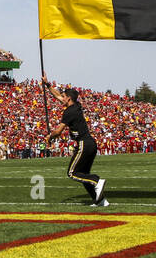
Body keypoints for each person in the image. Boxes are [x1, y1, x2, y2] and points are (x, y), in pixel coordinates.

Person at [42, 76, 107, 206]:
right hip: (90, 143)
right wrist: (47, 85)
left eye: (64, 97)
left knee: (72, 173)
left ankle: (97, 181)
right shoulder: (76, 106)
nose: (61, 99)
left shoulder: (68, 112)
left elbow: (59, 131)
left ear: (69, 98)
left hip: (84, 143)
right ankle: (100, 201)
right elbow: (57, 96)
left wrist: (50, 137)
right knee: (83, 174)